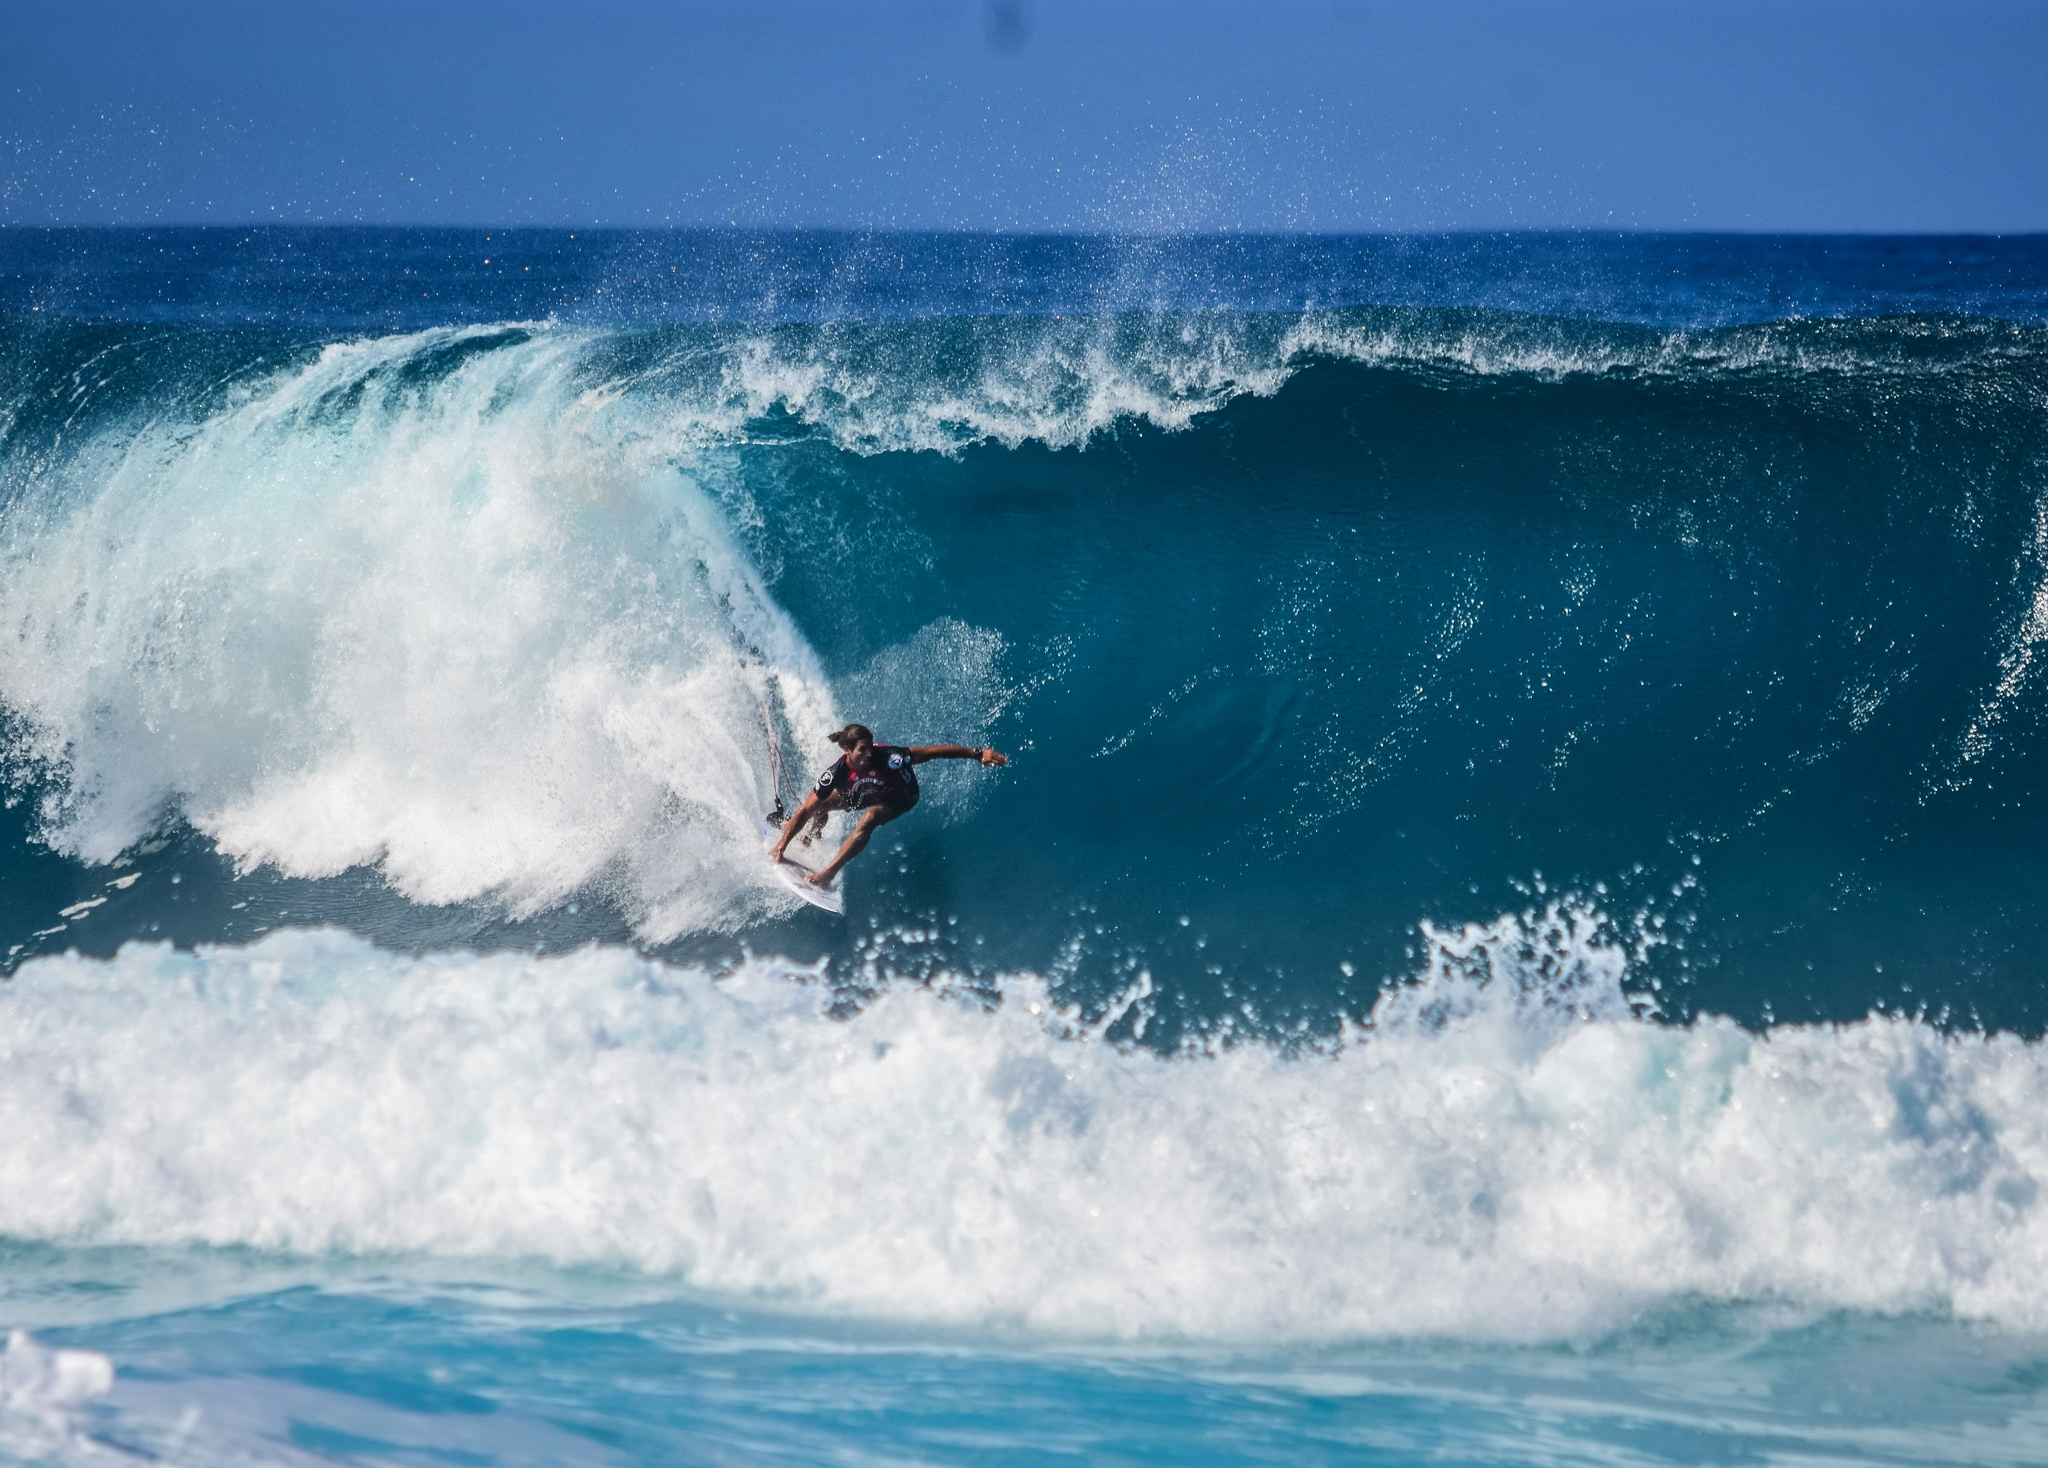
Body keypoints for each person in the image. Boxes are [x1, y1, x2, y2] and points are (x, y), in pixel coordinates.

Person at [771, 723, 1008, 886]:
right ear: (847, 751)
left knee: (869, 819)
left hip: (900, 795)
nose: (869, 754)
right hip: (863, 791)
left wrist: (977, 754)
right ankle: (808, 837)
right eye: (863, 750)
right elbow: (806, 809)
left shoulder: (890, 758)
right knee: (820, 806)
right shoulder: (836, 773)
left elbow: (932, 752)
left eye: (870, 747)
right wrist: (781, 846)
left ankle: (828, 873)